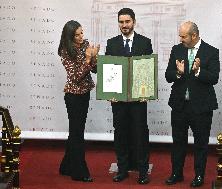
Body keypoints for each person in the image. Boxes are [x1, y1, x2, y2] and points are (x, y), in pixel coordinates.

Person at [165, 21, 220, 187]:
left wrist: (198, 71)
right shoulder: (177, 49)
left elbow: (214, 78)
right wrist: (178, 73)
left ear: (194, 35)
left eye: (183, 36)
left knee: (201, 143)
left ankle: (199, 176)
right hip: (180, 106)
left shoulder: (211, 51)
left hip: (201, 107)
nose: (180, 39)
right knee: (178, 142)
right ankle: (176, 173)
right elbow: (168, 76)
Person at [105, 8, 153, 184]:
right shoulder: (111, 43)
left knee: (140, 134)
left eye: (127, 22)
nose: (124, 25)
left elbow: (148, 69)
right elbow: (108, 69)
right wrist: (110, 93)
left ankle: (142, 172)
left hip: (138, 99)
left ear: (134, 21)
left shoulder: (145, 42)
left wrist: (147, 92)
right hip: (118, 100)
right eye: (121, 22)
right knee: (120, 134)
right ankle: (122, 169)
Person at [58, 20, 100, 182]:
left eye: (82, 32)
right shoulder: (65, 51)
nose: (81, 37)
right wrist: (88, 60)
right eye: (77, 35)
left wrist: (94, 57)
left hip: (84, 93)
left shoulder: (85, 44)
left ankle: (66, 166)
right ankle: (79, 172)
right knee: (77, 133)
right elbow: (75, 77)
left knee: (76, 130)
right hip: (73, 96)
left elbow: (94, 70)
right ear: (69, 36)